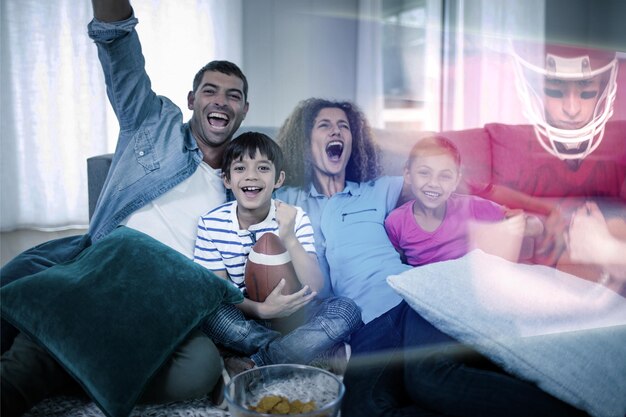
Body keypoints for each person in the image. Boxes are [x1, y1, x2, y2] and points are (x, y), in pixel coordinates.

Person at [1, 0, 249, 415]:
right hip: (103, 271)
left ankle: (66, 351)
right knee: (25, 351)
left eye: (234, 95)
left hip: (162, 303)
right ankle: (49, 362)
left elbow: (234, 273)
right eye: (211, 90)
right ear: (191, 99)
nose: (221, 101)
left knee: (202, 365)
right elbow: (119, 47)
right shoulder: (152, 122)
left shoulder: (243, 184)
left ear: (244, 110)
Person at [194, 132, 361, 371]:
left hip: (296, 316)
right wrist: (261, 309)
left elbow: (314, 286)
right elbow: (219, 292)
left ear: (278, 179)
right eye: (240, 168)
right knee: (210, 315)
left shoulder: (294, 216)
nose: (251, 176)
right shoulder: (211, 223)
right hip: (246, 318)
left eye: (263, 168)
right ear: (227, 179)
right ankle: (309, 353)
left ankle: (257, 362)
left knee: (347, 310)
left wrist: (289, 237)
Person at [274, 98, 413, 324]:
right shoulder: (286, 198)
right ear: (305, 142)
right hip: (345, 322)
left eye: (343, 126)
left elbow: (431, 183)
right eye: (324, 125)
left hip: (403, 300)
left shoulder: (379, 189)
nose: (336, 131)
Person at [384, 136, 543, 267]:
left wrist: (521, 224)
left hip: (466, 287)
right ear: (407, 174)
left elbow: (537, 226)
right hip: (426, 292)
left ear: (455, 181)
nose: (433, 183)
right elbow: (398, 263)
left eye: (445, 176)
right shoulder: (395, 221)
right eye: (424, 173)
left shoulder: (472, 207)